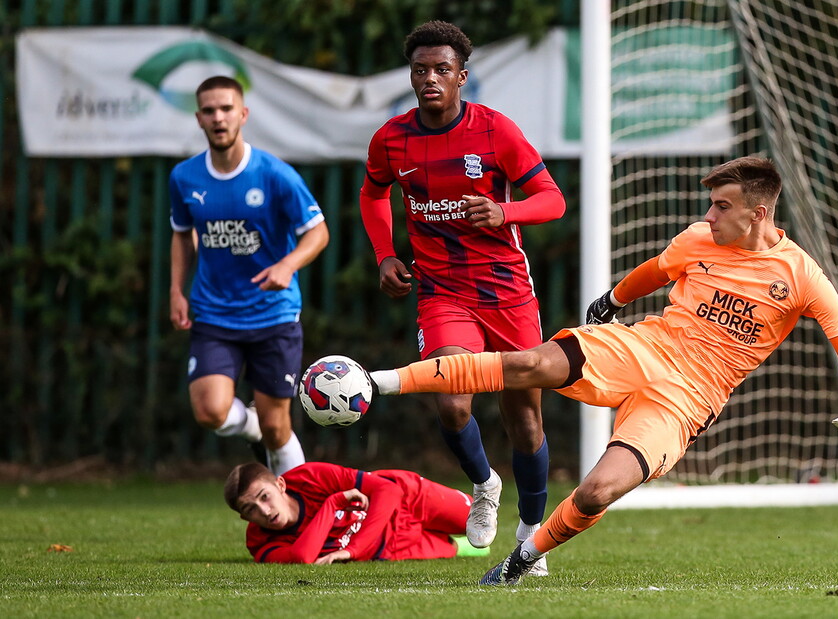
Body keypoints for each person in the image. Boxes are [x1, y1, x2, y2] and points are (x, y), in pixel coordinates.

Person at [361, 157, 838, 585]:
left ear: (758, 214)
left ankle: (522, 560)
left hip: (689, 399)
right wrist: (613, 299)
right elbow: (655, 270)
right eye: (709, 206)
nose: (709, 216)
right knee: (530, 363)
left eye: (720, 206)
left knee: (597, 492)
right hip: (644, 347)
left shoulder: (803, 276)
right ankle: (375, 383)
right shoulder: (698, 239)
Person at [358, 20, 566, 572]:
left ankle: (531, 535)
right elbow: (373, 192)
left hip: (507, 292)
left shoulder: (496, 131)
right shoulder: (392, 138)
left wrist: (506, 211)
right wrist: (384, 252)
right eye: (420, 69)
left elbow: (552, 200)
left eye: (442, 70)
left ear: (462, 77)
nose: (430, 78)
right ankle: (484, 484)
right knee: (451, 401)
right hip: (443, 291)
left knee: (524, 421)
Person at [169, 76, 329, 475]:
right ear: (199, 119)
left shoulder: (275, 175)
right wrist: (176, 290)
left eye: (226, 109)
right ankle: (251, 424)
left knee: (278, 428)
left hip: (272, 314)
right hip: (214, 313)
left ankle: (297, 511)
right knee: (210, 411)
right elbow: (182, 235)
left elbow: (318, 232)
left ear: (243, 114)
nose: (218, 118)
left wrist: (287, 265)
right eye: (209, 110)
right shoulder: (185, 178)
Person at [224, 461, 490, 564]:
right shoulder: (259, 543)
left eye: (264, 497)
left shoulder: (310, 476)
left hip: (410, 499)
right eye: (251, 510)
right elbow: (301, 557)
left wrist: (353, 550)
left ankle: (466, 535)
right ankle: (461, 545)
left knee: (484, 523)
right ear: (245, 518)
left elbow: (389, 492)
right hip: (389, 546)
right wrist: (333, 503)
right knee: (460, 548)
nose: (264, 511)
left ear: (280, 485)